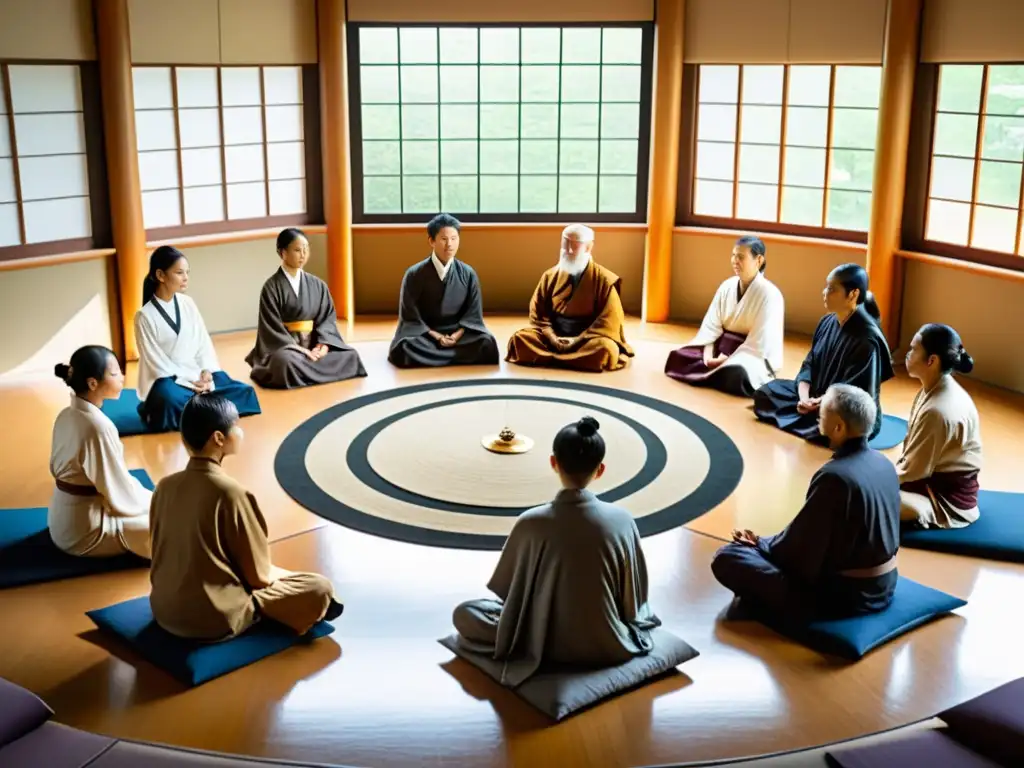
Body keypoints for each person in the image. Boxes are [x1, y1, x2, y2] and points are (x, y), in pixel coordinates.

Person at [451, 416, 660, 687]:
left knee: (465, 613)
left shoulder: (532, 521)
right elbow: (634, 597)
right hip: (609, 642)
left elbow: (511, 593)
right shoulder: (622, 519)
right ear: (601, 469)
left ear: (553, 462)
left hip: (540, 642)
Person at [149, 394, 343, 641]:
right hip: (213, 618)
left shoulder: (164, 486)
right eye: (236, 427)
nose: (241, 433)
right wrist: (286, 576)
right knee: (319, 587)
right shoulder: (231, 493)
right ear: (218, 438)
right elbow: (258, 577)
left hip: (163, 609)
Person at [712, 384, 900, 624]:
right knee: (761, 549)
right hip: (885, 584)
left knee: (728, 557)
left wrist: (761, 545)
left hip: (846, 597)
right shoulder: (883, 463)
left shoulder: (835, 476)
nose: (818, 413)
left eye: (823, 412)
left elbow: (801, 555)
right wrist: (764, 543)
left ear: (838, 427)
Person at [753, 263, 893, 442]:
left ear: (853, 294)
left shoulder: (867, 339)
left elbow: (854, 392)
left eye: (832, 289)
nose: (825, 293)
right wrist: (805, 398)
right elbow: (810, 363)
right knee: (765, 393)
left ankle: (816, 422)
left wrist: (819, 402)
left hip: (843, 406)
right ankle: (812, 419)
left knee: (838, 426)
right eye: (826, 287)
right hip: (815, 396)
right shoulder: (827, 321)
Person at [135, 246, 261, 432]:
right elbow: (155, 362)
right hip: (170, 379)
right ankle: (210, 408)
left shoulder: (188, 303)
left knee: (245, 391)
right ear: (160, 275)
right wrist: (190, 381)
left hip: (197, 373)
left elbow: (203, 343)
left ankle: (202, 407)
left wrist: (206, 372)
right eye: (179, 272)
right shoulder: (144, 316)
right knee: (168, 399)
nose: (186, 277)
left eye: (187, 272)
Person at [48, 345, 152, 559]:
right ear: (93, 383)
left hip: (62, 518)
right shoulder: (97, 427)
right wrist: (154, 503)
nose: (122, 377)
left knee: (159, 505)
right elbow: (115, 488)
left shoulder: (66, 415)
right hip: (85, 529)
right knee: (169, 525)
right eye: (115, 373)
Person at [246, 228, 366, 388]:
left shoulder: (318, 285)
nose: (303, 254)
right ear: (283, 253)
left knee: (351, 356)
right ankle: (313, 371)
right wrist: (301, 351)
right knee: (284, 363)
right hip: (288, 348)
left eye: (306, 249)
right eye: (297, 250)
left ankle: (304, 374)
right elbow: (271, 329)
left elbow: (327, 320)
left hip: (314, 343)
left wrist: (322, 346)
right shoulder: (272, 287)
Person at [664, 235, 784, 396]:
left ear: (759, 260)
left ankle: (720, 372)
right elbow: (711, 325)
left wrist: (725, 359)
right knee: (678, 357)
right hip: (719, 345)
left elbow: (760, 342)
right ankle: (717, 374)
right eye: (733, 255)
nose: (735, 261)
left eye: (741, 257)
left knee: (739, 373)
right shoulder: (727, 286)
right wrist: (709, 354)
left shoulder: (770, 295)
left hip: (750, 354)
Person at [506, 224, 634, 373]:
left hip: (587, 339)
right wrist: (553, 338)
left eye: (575, 246)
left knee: (606, 349)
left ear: (588, 247)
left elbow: (608, 321)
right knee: (519, 339)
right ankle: (573, 360)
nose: (569, 251)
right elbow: (538, 314)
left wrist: (576, 340)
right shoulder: (550, 276)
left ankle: (551, 358)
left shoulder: (604, 280)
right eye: (565, 245)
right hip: (554, 335)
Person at [897, 324, 982, 530]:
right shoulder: (937, 387)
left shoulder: (937, 411)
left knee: (865, 497)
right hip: (928, 478)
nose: (908, 354)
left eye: (914, 349)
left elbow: (912, 472)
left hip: (945, 501)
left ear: (932, 360)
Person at [388, 214, 499, 368]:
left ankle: (435, 357)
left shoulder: (468, 273)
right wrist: (437, 337)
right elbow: (410, 316)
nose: (449, 244)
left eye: (454, 238)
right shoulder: (414, 274)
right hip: (426, 334)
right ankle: (455, 356)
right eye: (444, 239)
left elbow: (473, 315)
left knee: (487, 343)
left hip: (458, 333)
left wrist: (456, 336)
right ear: (431, 241)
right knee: (405, 347)